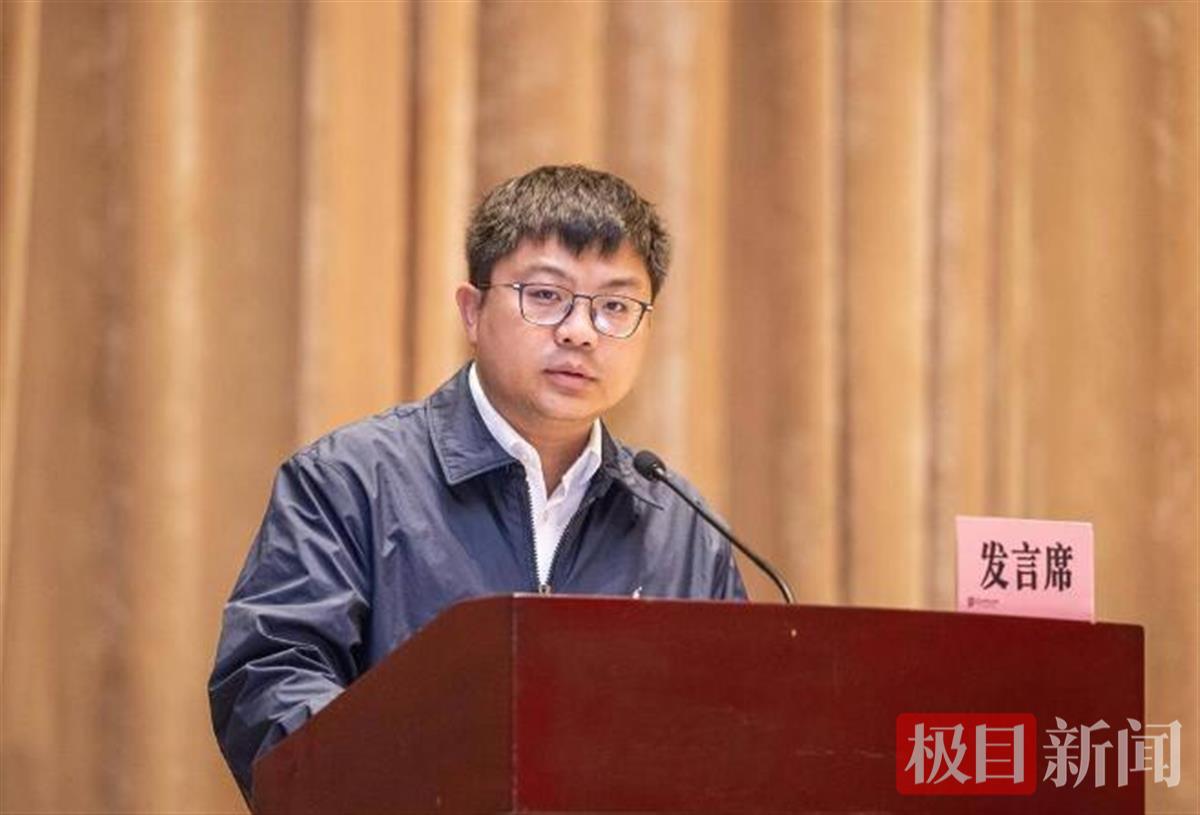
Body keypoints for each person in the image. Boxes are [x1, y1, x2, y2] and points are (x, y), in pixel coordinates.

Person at [208, 165, 747, 799]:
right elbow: (271, 684)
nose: (579, 331)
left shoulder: (681, 528)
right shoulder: (349, 481)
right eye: (544, 295)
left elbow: (733, 732)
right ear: (472, 311)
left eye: (615, 307)